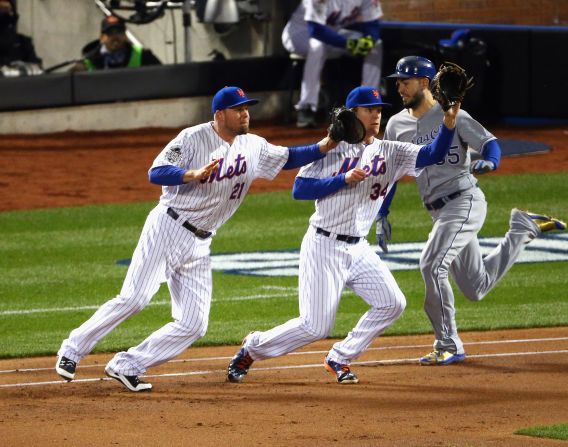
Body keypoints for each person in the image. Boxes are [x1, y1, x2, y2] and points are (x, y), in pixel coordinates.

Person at [55, 86, 338, 392]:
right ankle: (72, 350)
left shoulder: (253, 145)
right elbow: (157, 171)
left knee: (193, 324)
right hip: (168, 227)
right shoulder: (192, 138)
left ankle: (128, 364)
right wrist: (190, 175)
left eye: (246, 108)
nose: (245, 114)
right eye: (238, 109)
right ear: (219, 114)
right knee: (135, 298)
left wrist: (326, 144)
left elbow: (289, 157)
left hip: (200, 243)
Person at [227, 86, 461, 385]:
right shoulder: (332, 149)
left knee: (393, 303)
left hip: (358, 248)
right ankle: (252, 348)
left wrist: (449, 121)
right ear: (353, 114)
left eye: (379, 109)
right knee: (315, 326)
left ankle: (341, 357)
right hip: (324, 244)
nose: (376, 115)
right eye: (369, 109)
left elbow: (433, 154)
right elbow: (300, 189)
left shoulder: (391, 150)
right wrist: (343, 179)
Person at [378, 56, 566, 366]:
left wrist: (491, 162)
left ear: (424, 84)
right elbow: (390, 173)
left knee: (431, 264)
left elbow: (490, 143)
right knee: (475, 287)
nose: (398, 86)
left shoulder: (453, 115)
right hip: (438, 212)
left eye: (404, 81)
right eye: (397, 81)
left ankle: (448, 343)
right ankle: (522, 229)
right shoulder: (396, 125)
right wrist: (382, 213)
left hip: (464, 201)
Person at [282, 0, 383, 128]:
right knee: (317, 46)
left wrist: (369, 41)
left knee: (376, 46)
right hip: (299, 34)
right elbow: (316, 30)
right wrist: (347, 44)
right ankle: (306, 107)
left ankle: (370, 103)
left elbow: (372, 24)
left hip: (332, 36)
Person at [71, 15, 161, 72]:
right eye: (110, 33)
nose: (115, 37)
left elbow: (162, 77)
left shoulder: (144, 56)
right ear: (102, 38)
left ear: (125, 36)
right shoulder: (86, 63)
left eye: (119, 32)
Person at [0, 0, 42, 77]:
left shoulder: (23, 42)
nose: (5, 12)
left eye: (7, 9)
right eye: (1, 9)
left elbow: (36, 67)